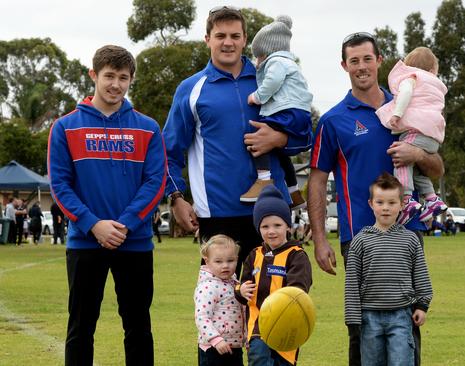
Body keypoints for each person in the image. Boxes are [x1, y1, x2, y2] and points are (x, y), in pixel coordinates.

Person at [307, 31, 443, 366]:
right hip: (358, 239)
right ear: (344, 65)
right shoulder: (333, 120)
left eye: (368, 59)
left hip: (407, 235)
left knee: (407, 332)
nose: (362, 66)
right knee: (360, 329)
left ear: (380, 61)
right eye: (354, 61)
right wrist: (321, 239)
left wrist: (417, 154)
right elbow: (317, 180)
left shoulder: (409, 106)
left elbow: (436, 168)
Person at [163, 7, 312, 276]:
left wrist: (279, 138)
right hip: (218, 215)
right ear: (207, 39)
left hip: (271, 215)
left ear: (245, 39)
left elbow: (304, 134)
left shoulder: (270, 77)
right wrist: (175, 198)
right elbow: (168, 152)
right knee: (221, 310)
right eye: (220, 35)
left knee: (271, 309)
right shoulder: (191, 89)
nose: (228, 42)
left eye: (235, 35)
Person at [48, 45, 166, 366]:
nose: (116, 84)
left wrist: (125, 223)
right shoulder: (65, 127)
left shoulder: (148, 127)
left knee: (139, 328)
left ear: (131, 80)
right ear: (93, 76)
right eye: (109, 76)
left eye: (123, 78)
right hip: (86, 241)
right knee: (81, 328)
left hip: (136, 242)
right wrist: (93, 224)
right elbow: (60, 185)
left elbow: (155, 183)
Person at [345, 173, 433, 366]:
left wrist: (422, 306)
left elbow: (421, 276)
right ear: (371, 204)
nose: (385, 208)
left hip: (401, 315)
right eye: (380, 202)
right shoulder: (360, 240)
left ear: (402, 204)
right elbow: (351, 283)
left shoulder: (410, 239)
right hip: (369, 318)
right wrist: (353, 321)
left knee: (402, 361)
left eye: (392, 203)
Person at [235, 185, 312, 366]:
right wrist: (241, 290)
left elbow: (299, 289)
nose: (271, 231)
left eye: (277, 225)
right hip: (258, 326)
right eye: (265, 226)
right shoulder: (254, 255)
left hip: (287, 325)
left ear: (287, 225)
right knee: (259, 360)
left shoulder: (296, 255)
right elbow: (240, 285)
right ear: (258, 228)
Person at [242, 15, 312, 209]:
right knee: (281, 154)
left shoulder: (276, 62)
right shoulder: (290, 62)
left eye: (259, 56)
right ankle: (294, 191)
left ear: (267, 51)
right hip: (299, 113)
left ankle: (263, 179)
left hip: (286, 111)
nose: (257, 62)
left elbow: (272, 81)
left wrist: (256, 96)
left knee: (257, 137)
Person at [376, 47, 448, 224]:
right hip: (433, 137)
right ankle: (432, 199)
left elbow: (405, 93)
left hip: (416, 131)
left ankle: (406, 199)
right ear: (432, 70)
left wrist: (397, 114)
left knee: (400, 157)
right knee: (415, 170)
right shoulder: (434, 86)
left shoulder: (411, 77)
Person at [194, 234, 246, 366]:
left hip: (234, 346)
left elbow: (242, 312)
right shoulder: (207, 287)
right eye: (218, 261)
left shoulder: (235, 284)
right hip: (213, 348)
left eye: (230, 261)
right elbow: (202, 317)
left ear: (237, 259)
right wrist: (216, 339)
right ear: (207, 261)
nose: (225, 266)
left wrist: (247, 338)